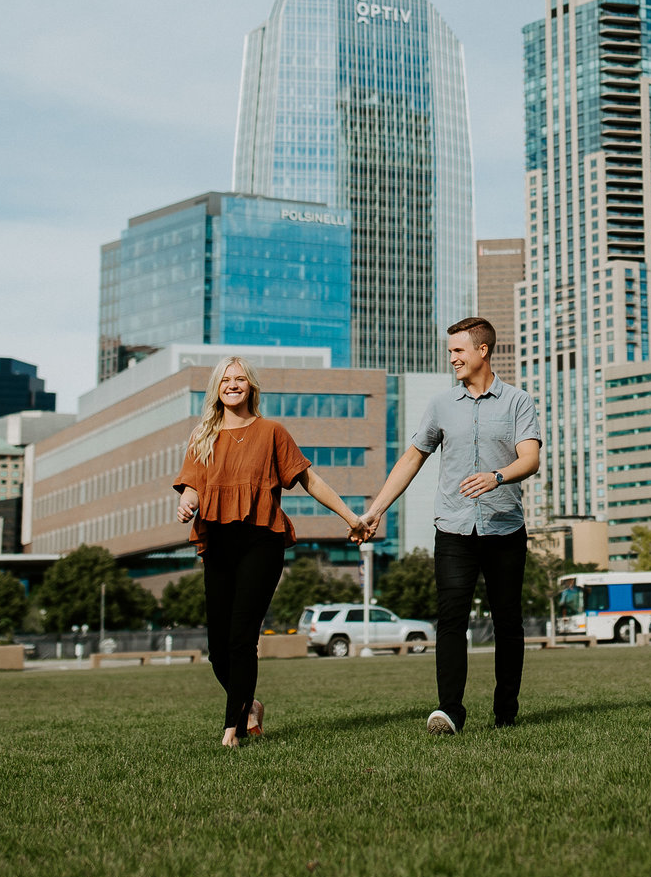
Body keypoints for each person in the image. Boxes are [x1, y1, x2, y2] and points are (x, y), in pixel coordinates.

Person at [359, 316, 542, 733]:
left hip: (504, 529)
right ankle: (451, 712)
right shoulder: (441, 405)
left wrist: (497, 476)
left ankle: (505, 713)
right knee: (451, 621)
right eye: (451, 351)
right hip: (454, 530)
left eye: (459, 350)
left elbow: (530, 458)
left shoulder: (518, 402)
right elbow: (411, 458)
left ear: (483, 350)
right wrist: (377, 509)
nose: (452, 357)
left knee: (508, 622)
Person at [173, 357, 367, 747]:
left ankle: (233, 728)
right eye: (225, 379)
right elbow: (193, 482)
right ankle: (249, 705)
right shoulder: (203, 436)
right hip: (219, 542)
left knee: (242, 639)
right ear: (217, 389)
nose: (232, 384)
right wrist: (188, 503)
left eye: (240, 378)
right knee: (217, 649)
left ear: (252, 386)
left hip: (262, 540)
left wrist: (350, 516)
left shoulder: (272, 432)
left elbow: (309, 478)